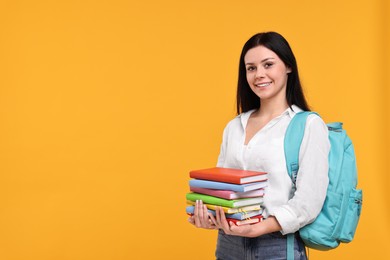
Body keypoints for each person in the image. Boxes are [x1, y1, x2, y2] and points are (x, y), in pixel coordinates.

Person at [188, 31, 330, 260]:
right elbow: (222, 190)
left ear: (288, 67)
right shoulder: (234, 127)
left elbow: (308, 202)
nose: (259, 75)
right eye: (251, 68)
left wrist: (258, 228)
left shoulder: (308, 125)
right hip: (228, 244)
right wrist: (212, 215)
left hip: (276, 245)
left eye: (268, 64)